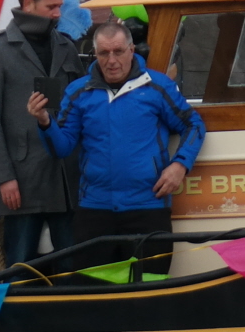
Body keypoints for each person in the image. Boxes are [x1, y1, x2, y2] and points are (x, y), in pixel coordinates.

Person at [27, 22, 206, 274]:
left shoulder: (157, 86)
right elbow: (62, 148)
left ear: (132, 50)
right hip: (95, 212)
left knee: (148, 294)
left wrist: (180, 165)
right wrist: (45, 122)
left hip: (148, 208)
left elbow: (194, 125)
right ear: (95, 54)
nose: (112, 60)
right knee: (96, 297)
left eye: (119, 51)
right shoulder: (78, 92)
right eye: (104, 53)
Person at [0, 0, 84, 272]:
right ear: (28, 4)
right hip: (21, 182)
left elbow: (81, 107)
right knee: (18, 270)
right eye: (52, 7)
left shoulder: (66, 46)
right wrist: (2, 177)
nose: (59, 13)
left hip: (66, 181)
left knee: (71, 270)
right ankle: (16, 319)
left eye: (60, 6)